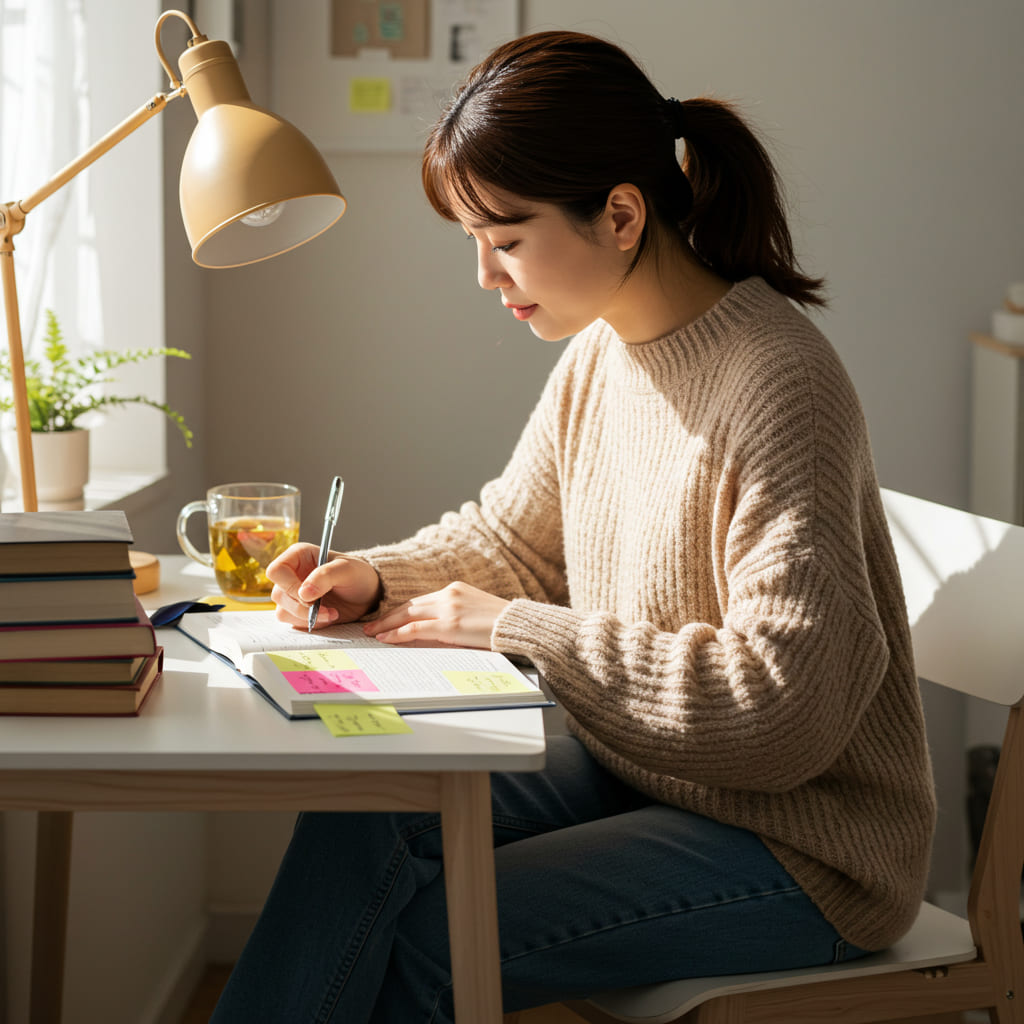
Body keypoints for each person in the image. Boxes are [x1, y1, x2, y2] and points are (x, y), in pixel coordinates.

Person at [211, 29, 936, 1023]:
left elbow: (780, 715)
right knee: (367, 808)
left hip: (805, 845)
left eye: (504, 239)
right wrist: (373, 578)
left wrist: (516, 626)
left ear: (622, 214)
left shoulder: (779, 387)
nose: (484, 274)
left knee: (436, 941)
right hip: (646, 774)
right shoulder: (602, 358)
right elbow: (510, 545)